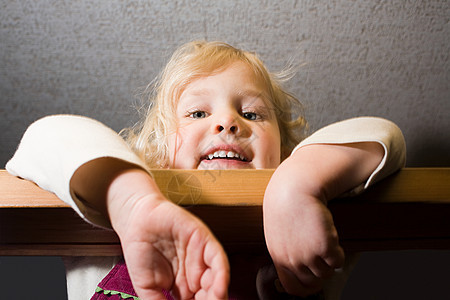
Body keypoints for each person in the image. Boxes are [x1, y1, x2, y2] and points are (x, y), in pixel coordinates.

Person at [6, 41, 406, 299]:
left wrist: (298, 184)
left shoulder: (305, 244)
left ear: (285, 154)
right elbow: (45, 137)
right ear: (158, 157)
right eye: (198, 112)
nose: (228, 123)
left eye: (251, 113)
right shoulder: (109, 232)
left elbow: (384, 137)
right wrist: (131, 204)